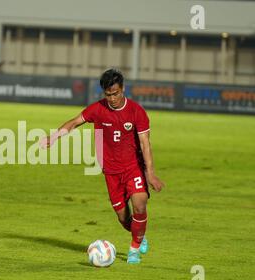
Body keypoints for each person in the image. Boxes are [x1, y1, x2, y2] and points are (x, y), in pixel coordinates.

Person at [41, 68, 164, 264]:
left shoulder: (136, 112)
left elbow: (145, 144)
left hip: (133, 168)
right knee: (124, 218)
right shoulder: (97, 109)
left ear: (123, 89)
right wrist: (54, 137)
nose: (112, 98)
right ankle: (140, 235)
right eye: (108, 95)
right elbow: (74, 123)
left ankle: (134, 248)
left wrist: (150, 173)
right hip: (111, 172)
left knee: (139, 204)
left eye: (115, 93)